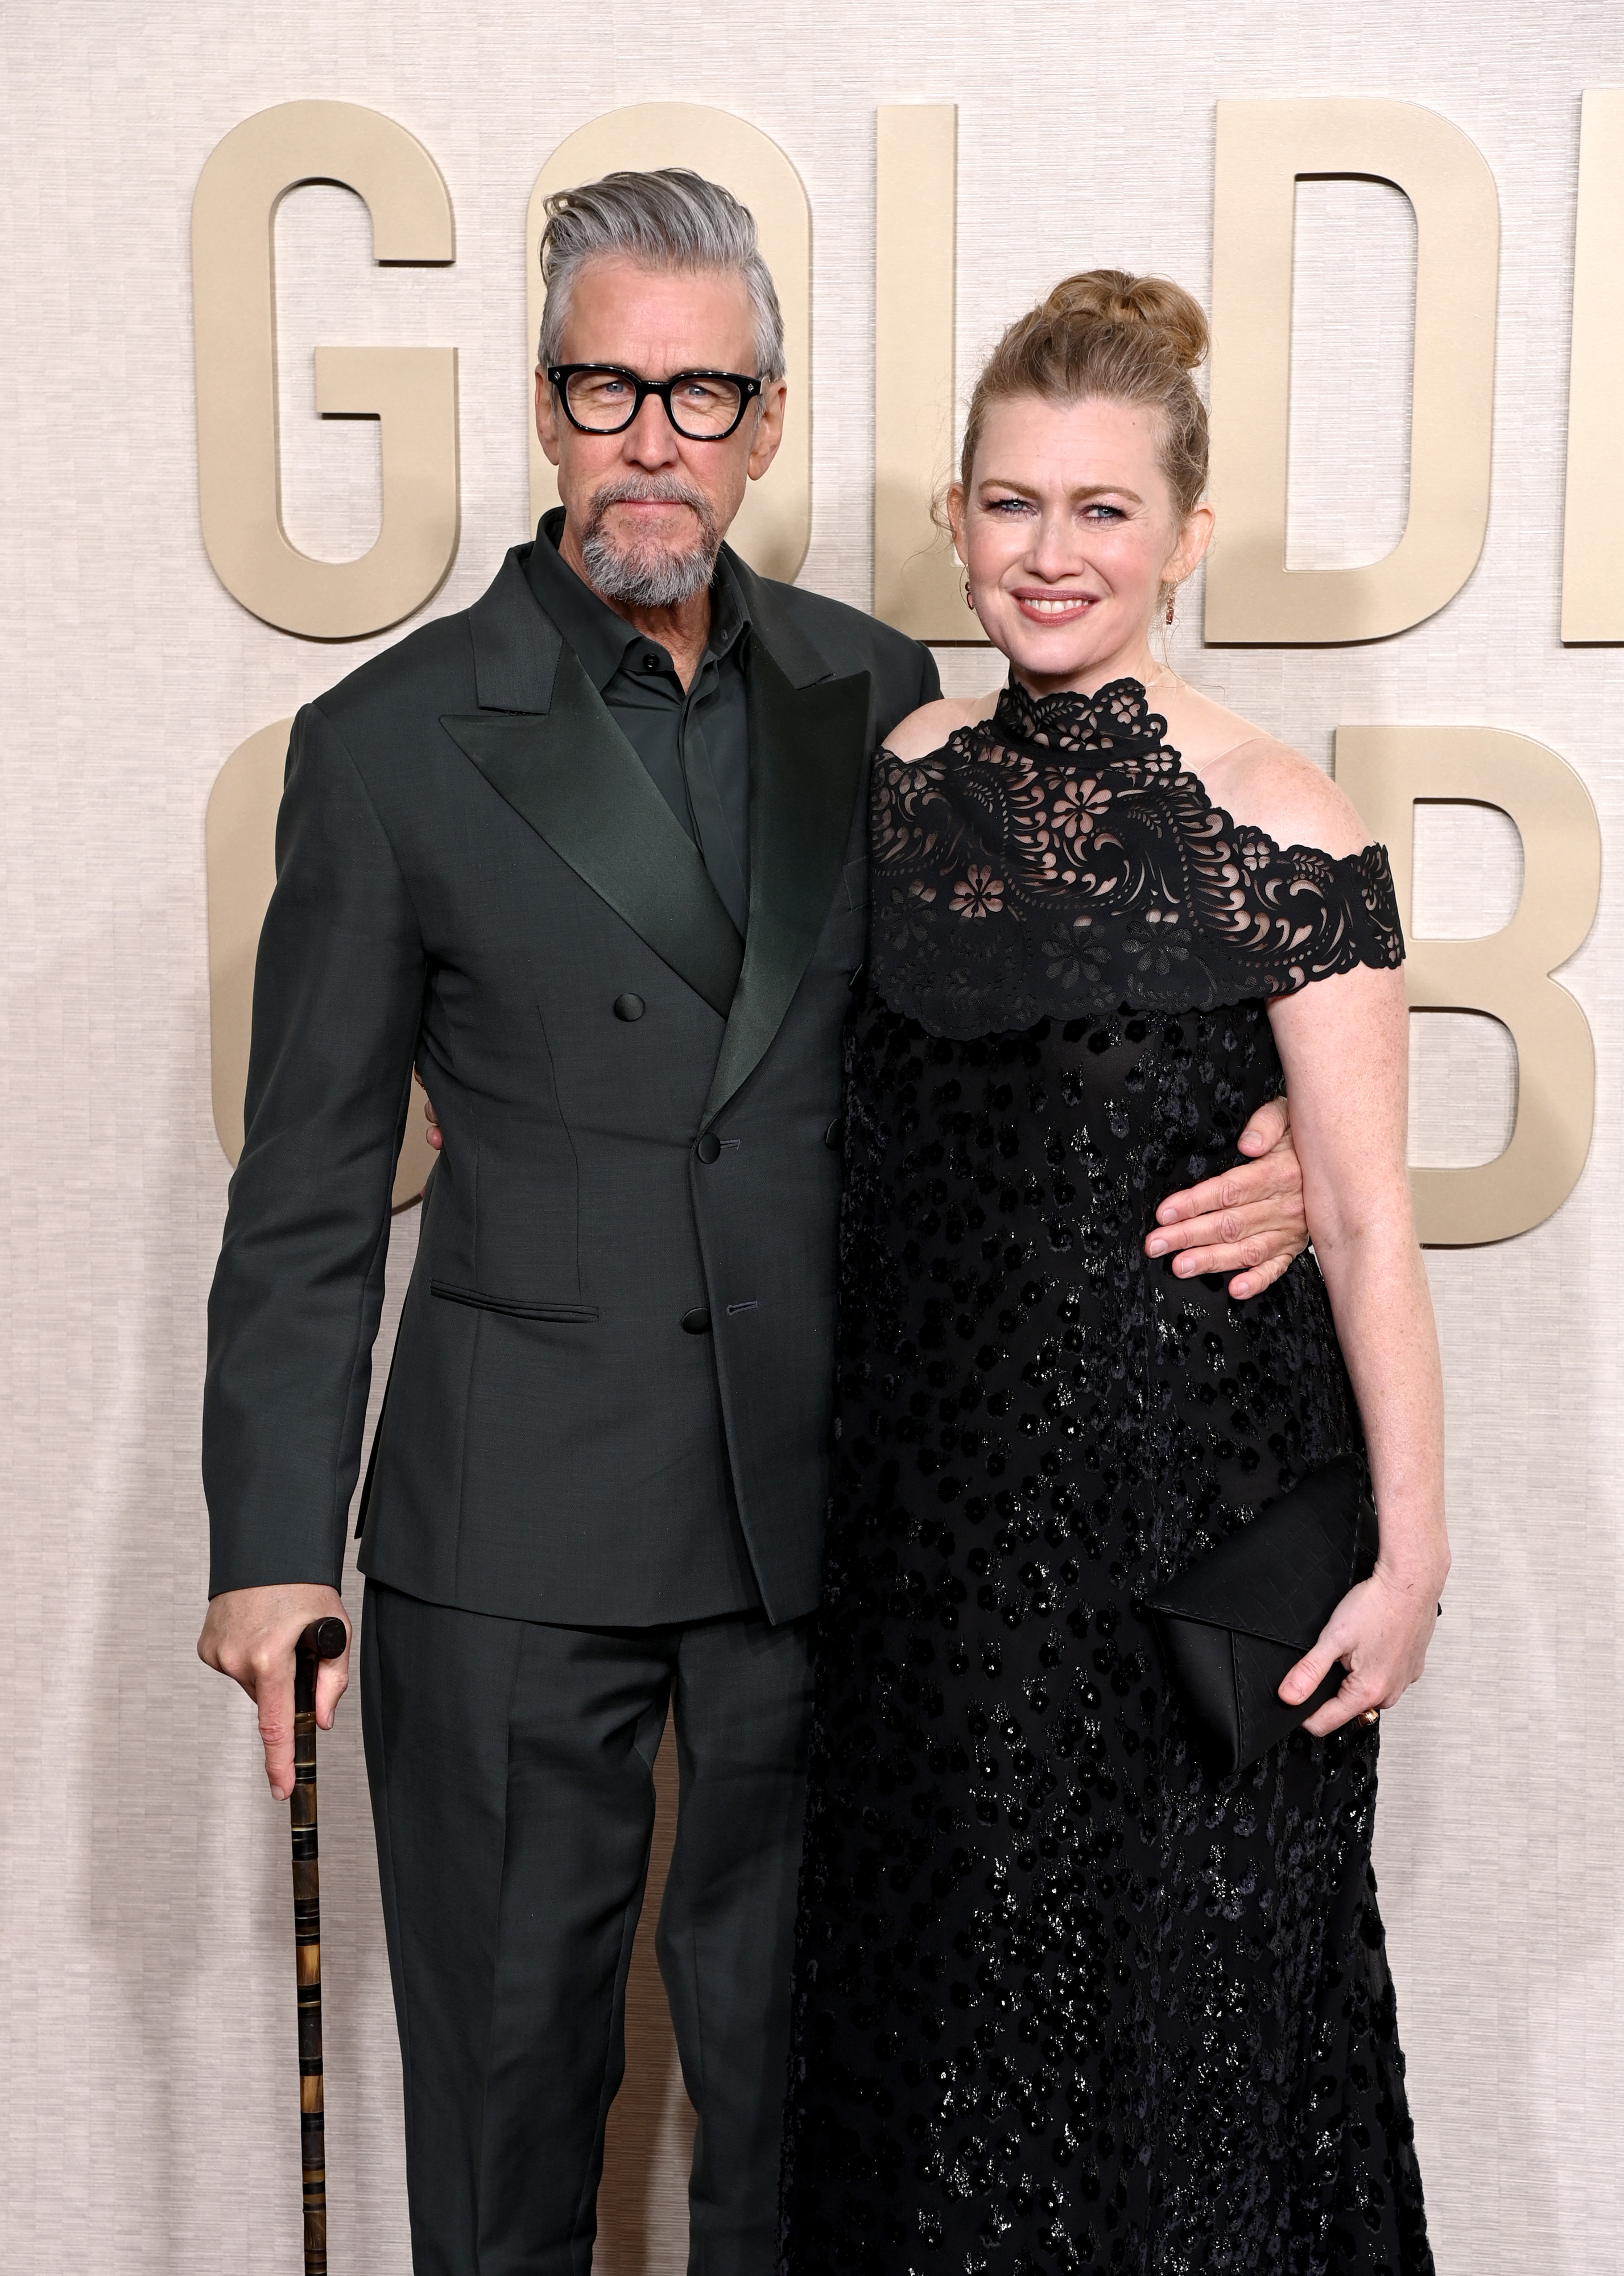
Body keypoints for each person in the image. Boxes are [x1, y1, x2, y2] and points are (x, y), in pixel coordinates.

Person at [198, 176, 1311, 2276]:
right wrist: (267, 1546)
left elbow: (1059, 1010)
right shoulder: (386, 749)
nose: (655, 435)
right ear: (545, 407)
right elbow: (311, 1186)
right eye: (610, 384)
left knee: (811, 2100)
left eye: (702, 391)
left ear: (767, 423)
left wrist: (1278, 1141)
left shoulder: (882, 693)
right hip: (510, 1525)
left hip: (835, 1518)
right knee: (513, 2086)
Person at [778, 271, 1448, 2276]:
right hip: (921, 1584)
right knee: (931, 2100)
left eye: (1098, 510)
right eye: (1008, 505)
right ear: (955, 525)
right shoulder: (889, 788)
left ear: (1184, 538)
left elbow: (1364, 1216)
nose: (1047, 555)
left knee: (1186, 2106)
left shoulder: (1284, 826)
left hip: (1187, 1576)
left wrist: (1411, 1564)